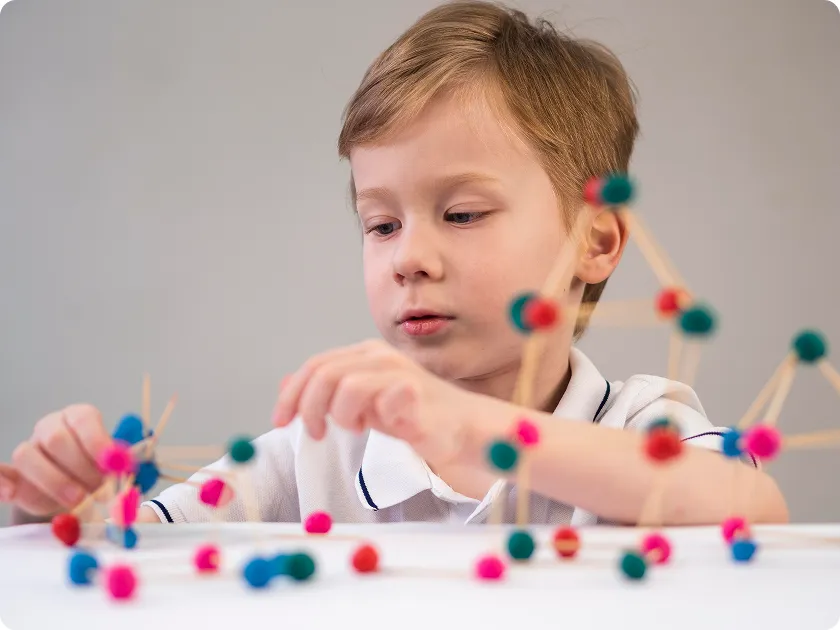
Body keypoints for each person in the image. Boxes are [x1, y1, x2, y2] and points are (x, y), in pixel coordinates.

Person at [1, 1, 788, 528]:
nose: (409, 257)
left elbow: (755, 507)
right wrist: (63, 510)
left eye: (462, 214)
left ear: (599, 241)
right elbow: (133, 543)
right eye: (380, 224)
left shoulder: (641, 424)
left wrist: (475, 426)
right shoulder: (309, 458)